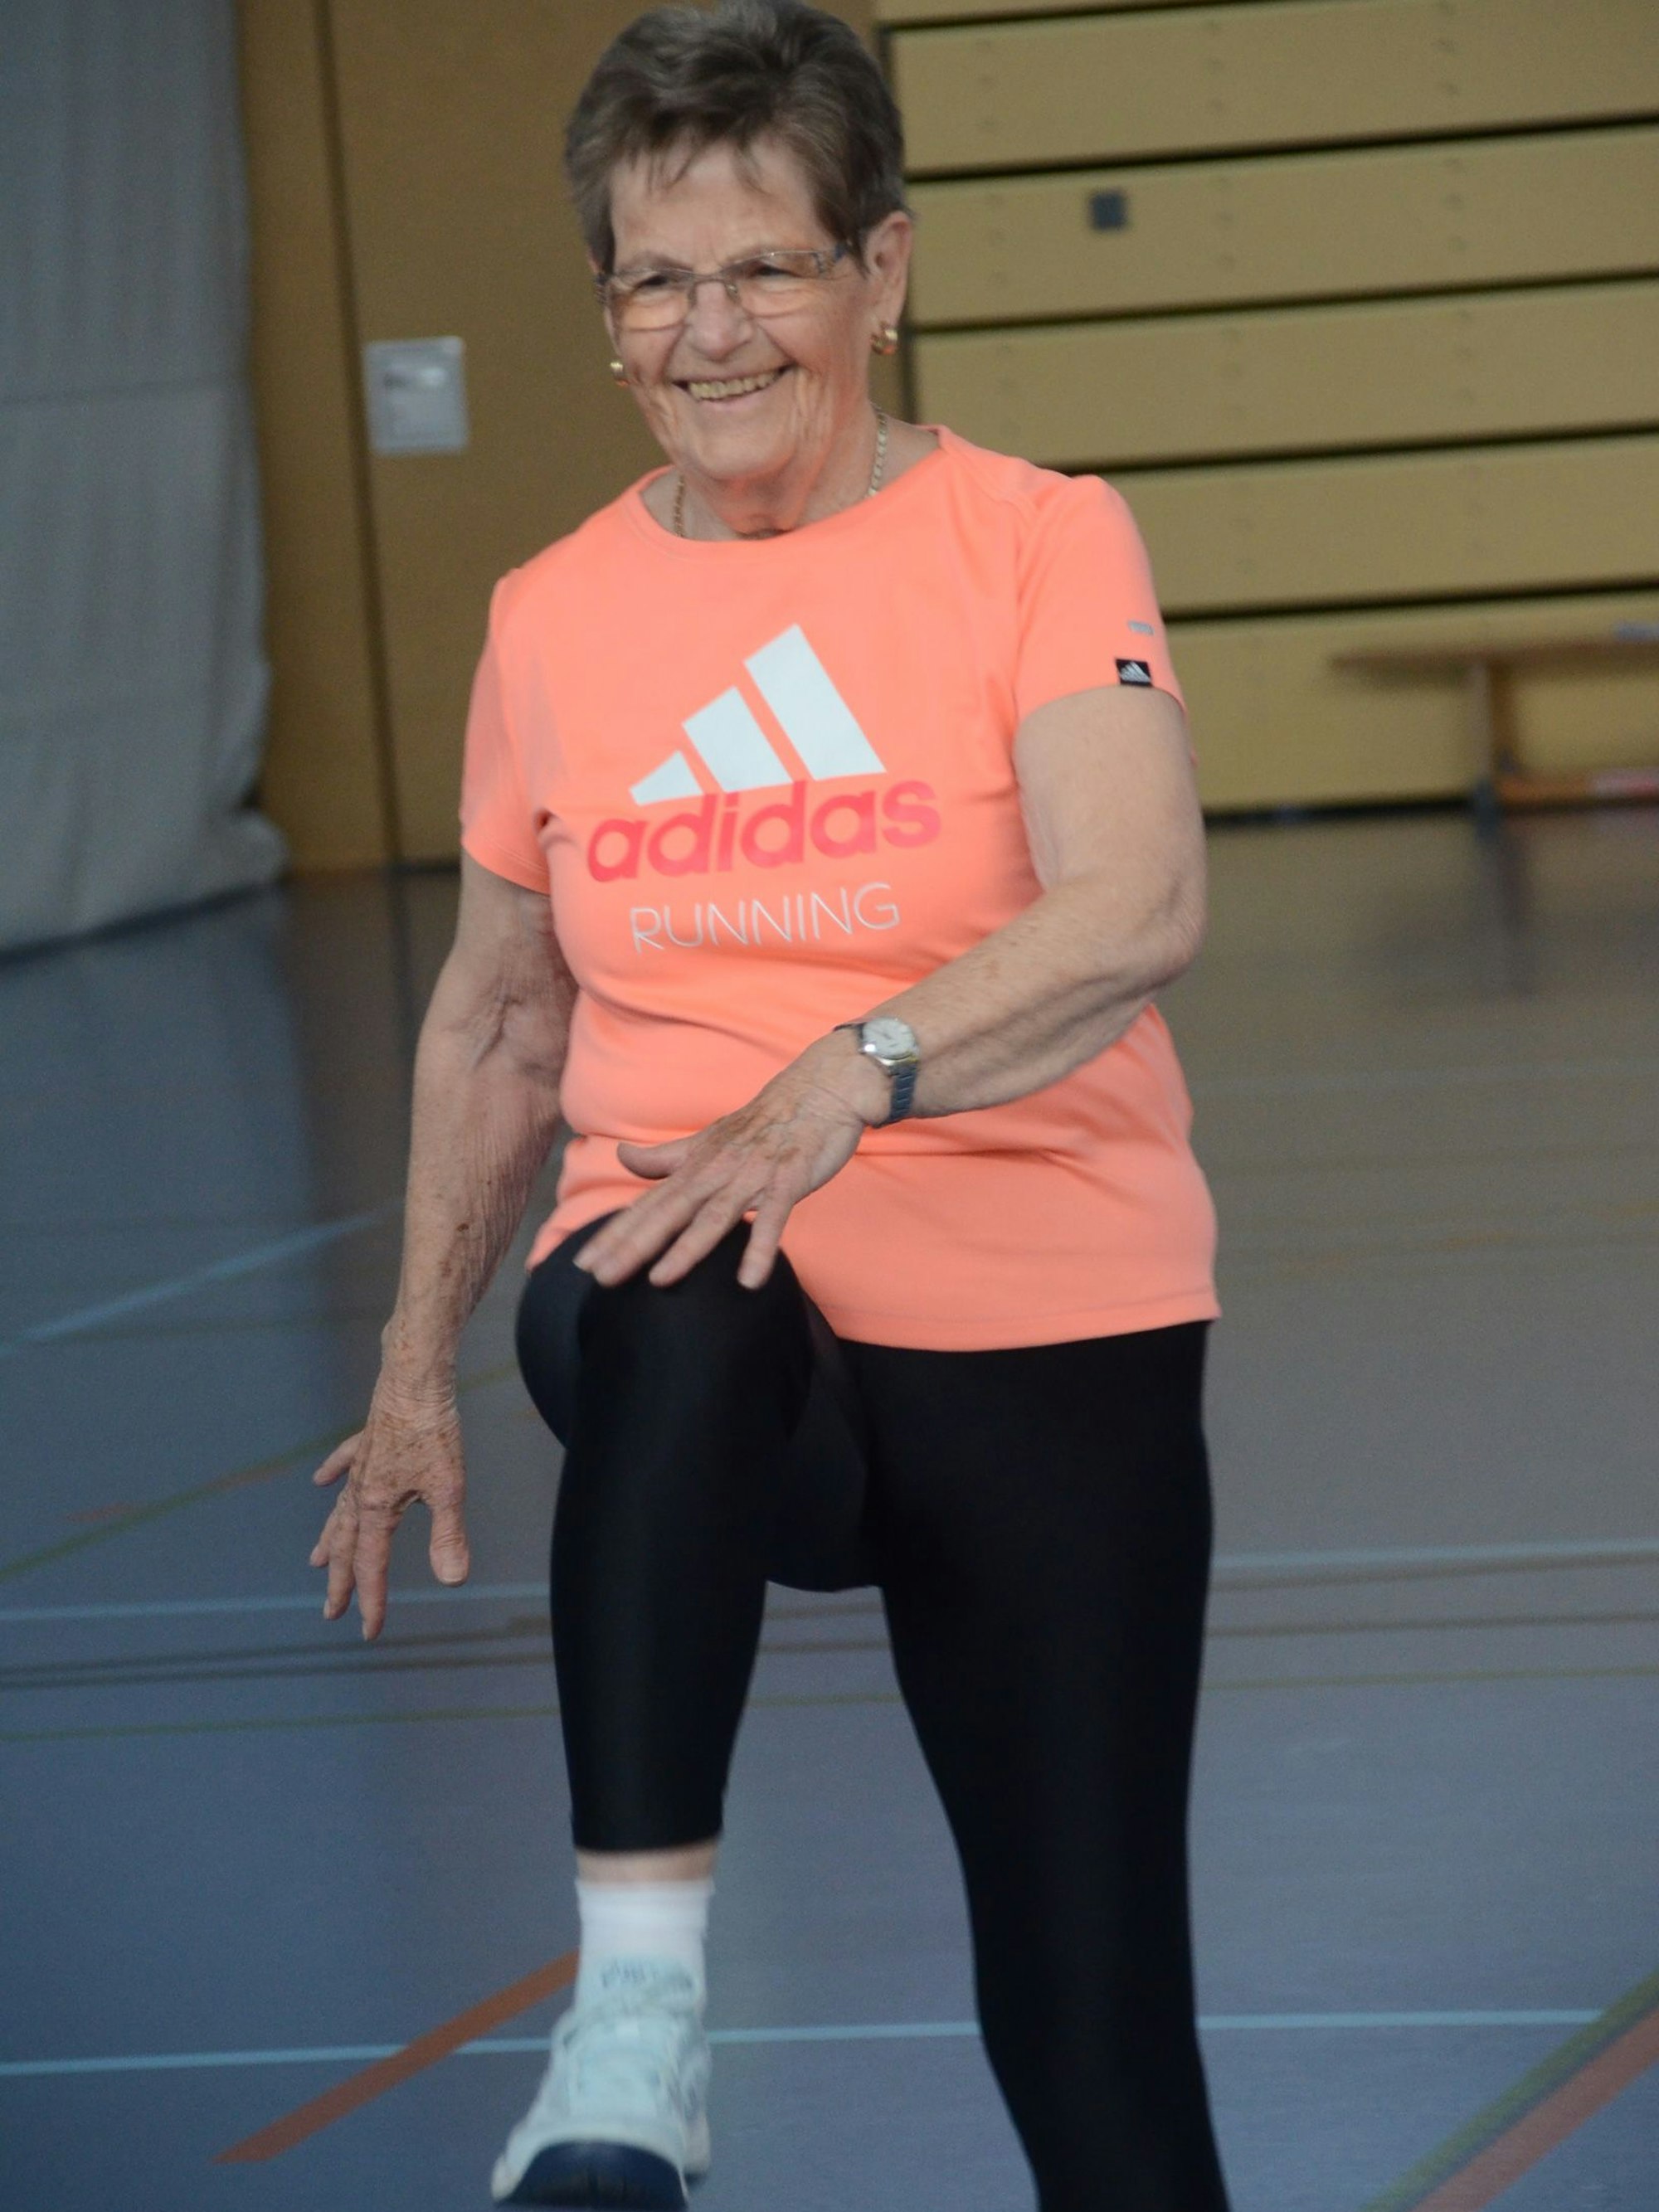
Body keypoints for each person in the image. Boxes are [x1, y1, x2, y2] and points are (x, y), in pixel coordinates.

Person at [309, 4, 1229, 2206]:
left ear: (879, 272)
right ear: (607, 305)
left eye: (764, 269)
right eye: (654, 278)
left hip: (1042, 1311)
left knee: (1093, 2026)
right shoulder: (550, 618)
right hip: (711, 1302)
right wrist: (413, 1360)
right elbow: (503, 1016)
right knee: (668, 1296)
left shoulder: (1033, 538)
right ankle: (633, 2022)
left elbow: (1141, 900)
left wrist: (856, 1066)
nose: (707, 332)